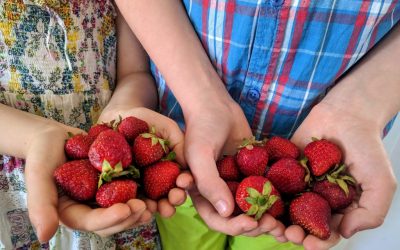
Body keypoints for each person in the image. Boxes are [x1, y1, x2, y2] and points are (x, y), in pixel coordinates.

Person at [115, 0, 400, 249]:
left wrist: (363, 106)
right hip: (184, 142)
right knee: (187, 233)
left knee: (276, 239)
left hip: (301, 191)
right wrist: (200, 100)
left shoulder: (302, 200)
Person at [0, 1, 192, 249]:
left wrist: (124, 109)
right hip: (15, 171)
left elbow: (135, 73)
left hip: (116, 172)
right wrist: (35, 136)